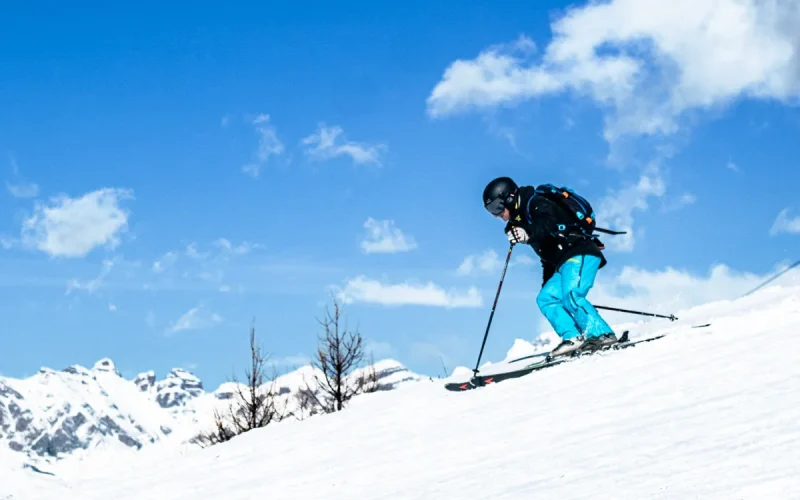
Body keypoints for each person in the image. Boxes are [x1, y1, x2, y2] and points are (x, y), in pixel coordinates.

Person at [482, 175, 617, 356]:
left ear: (509, 198)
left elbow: (547, 224)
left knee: (571, 294)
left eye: (497, 207)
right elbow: (546, 253)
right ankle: (574, 337)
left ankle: (602, 334)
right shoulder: (520, 221)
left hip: (580, 252)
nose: (497, 214)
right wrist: (547, 282)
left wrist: (527, 233)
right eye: (491, 211)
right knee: (546, 298)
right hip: (562, 262)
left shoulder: (536, 202)